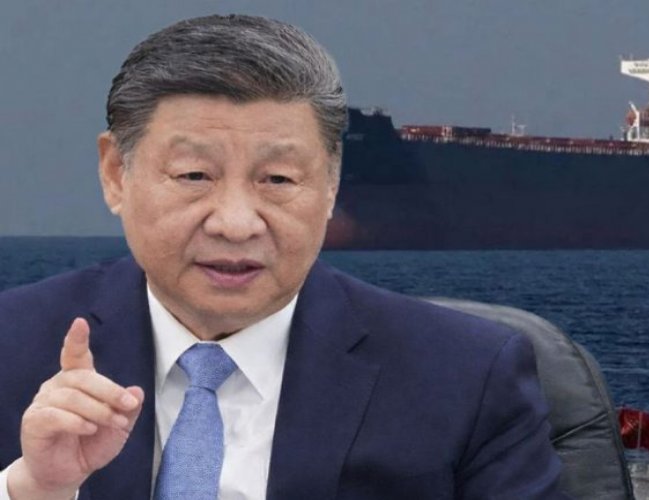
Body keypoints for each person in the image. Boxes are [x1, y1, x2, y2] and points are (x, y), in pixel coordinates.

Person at [0, 14, 566, 499]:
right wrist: (35, 491)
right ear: (115, 174)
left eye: (277, 179)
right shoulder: (11, 347)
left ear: (331, 185)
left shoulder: (467, 378)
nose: (236, 223)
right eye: (194, 175)